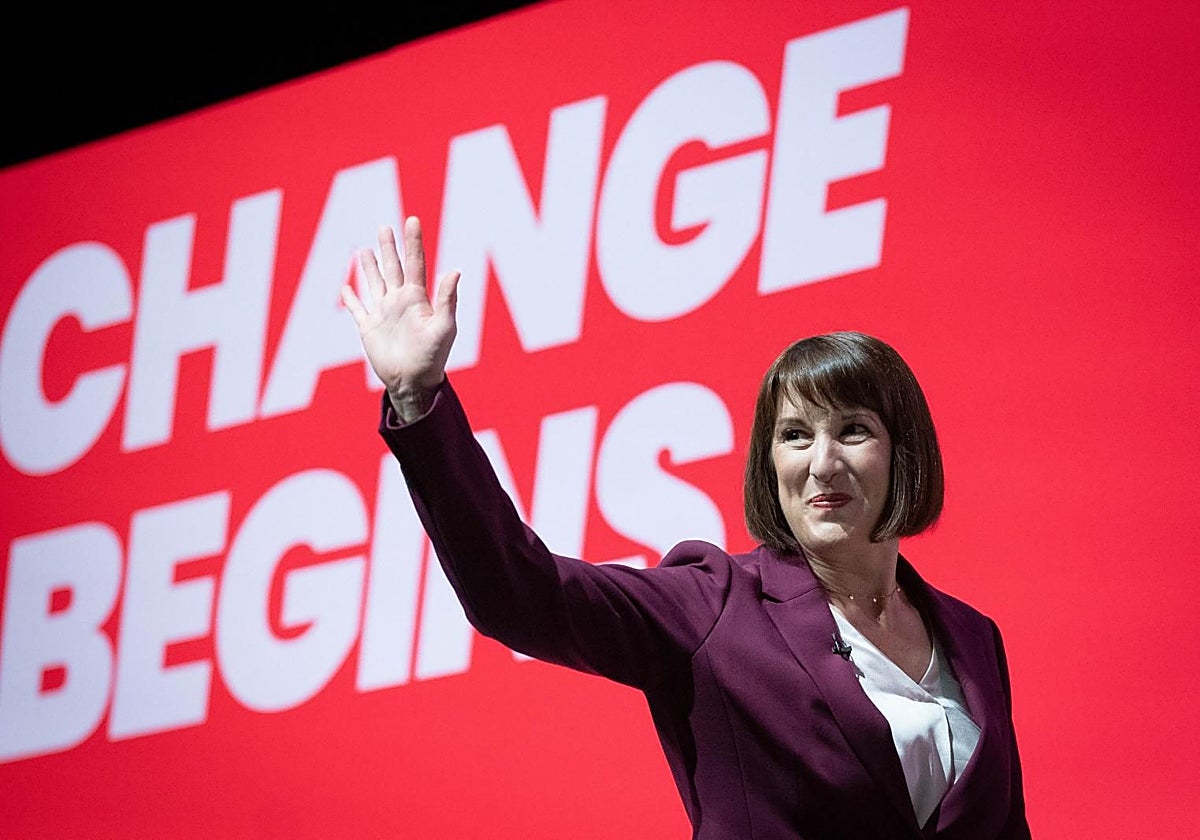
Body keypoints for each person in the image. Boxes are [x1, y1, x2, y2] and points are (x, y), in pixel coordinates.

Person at [342, 218, 1030, 839]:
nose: (822, 463)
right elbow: (521, 594)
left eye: (852, 431)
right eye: (794, 435)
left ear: (903, 452)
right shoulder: (716, 605)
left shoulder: (973, 637)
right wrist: (418, 399)